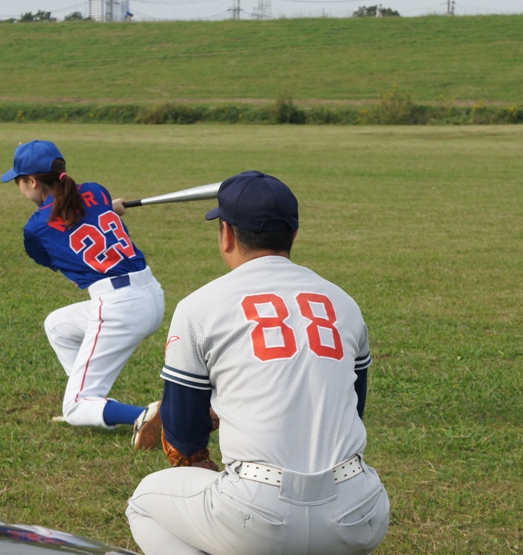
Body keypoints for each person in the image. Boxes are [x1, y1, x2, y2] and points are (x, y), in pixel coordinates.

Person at [126, 170, 390, 555]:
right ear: (294, 234)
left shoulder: (200, 305)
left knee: (144, 503)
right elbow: (351, 405)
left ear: (227, 234)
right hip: (358, 512)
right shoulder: (344, 303)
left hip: (257, 514)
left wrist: (203, 434)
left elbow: (183, 432)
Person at [0, 139, 165, 430]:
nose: (20, 188)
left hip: (119, 307)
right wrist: (106, 209)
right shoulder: (97, 191)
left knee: (74, 409)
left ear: (33, 182)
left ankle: (143, 416)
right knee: (58, 325)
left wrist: (102, 211)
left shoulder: (35, 228)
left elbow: (56, 248)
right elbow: (90, 209)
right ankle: (93, 402)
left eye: (19, 182)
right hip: (151, 294)